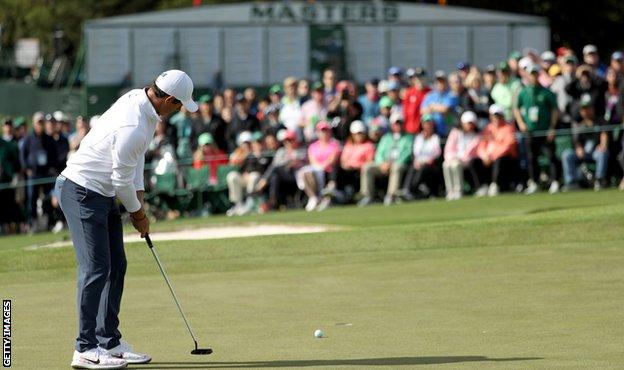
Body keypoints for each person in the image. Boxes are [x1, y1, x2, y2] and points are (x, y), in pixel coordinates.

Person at [57, 69, 197, 368]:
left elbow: (135, 160)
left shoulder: (139, 100)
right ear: (169, 99)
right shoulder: (134, 124)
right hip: (82, 191)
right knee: (96, 268)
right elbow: (121, 180)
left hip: (102, 192)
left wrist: (140, 191)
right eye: (179, 105)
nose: (179, 110)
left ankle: (109, 341)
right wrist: (139, 213)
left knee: (116, 265)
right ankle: (84, 348)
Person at [514, 64, 561, 194]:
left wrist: (552, 127)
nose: (534, 76)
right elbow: (516, 108)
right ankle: (533, 182)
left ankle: (555, 181)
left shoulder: (546, 92)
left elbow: (554, 110)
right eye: (531, 74)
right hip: (530, 131)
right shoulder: (523, 92)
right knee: (531, 157)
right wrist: (521, 123)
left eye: (535, 74)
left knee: (551, 156)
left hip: (545, 130)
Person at [359, 112, 413, 206]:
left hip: (399, 164)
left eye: (399, 123)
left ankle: (391, 195)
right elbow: (379, 154)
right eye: (395, 123)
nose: (397, 125)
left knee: (396, 167)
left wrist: (391, 164)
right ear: (391, 125)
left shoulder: (408, 137)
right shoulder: (386, 138)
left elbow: (407, 154)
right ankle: (368, 196)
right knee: (367, 167)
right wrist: (382, 163)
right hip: (383, 164)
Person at [561, 97, 609, 191]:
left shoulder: (600, 121)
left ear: (592, 109)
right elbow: (576, 141)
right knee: (567, 155)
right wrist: (579, 148)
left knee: (602, 153)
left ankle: (599, 180)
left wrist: (603, 144)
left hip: (596, 151)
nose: (586, 111)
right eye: (583, 109)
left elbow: (604, 134)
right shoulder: (579, 124)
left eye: (588, 108)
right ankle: (572, 182)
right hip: (583, 153)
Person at [471, 104, 519, 197]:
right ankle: (482, 186)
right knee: (474, 162)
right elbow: (481, 145)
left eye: (498, 115)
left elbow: (508, 146)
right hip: (490, 157)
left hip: (506, 159)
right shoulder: (488, 128)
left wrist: (493, 156)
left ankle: (495, 185)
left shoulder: (508, 128)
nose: (496, 118)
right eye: (494, 116)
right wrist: (484, 156)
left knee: (499, 160)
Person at [21, 112, 58, 229]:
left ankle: (49, 223)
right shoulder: (28, 139)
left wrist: (52, 168)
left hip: (46, 174)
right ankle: (32, 223)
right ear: (34, 123)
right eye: (39, 122)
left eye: (42, 122)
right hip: (34, 174)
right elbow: (22, 155)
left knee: (48, 198)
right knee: (32, 198)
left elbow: (54, 155)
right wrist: (26, 168)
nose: (41, 124)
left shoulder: (49, 139)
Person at [256, 130, 306, 211]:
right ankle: (274, 202)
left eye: (290, 140)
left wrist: (288, 162)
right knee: (274, 177)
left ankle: (264, 183)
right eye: (286, 141)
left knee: (276, 170)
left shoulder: (300, 150)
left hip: (297, 176)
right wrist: (288, 162)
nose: (288, 143)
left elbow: (296, 163)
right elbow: (276, 164)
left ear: (295, 140)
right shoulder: (281, 151)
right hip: (283, 177)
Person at [296, 121, 341, 211]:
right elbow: (313, 161)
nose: (324, 133)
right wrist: (319, 166)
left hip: (329, 172)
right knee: (307, 173)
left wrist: (322, 166)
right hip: (316, 169)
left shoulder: (334, 144)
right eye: (321, 131)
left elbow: (332, 160)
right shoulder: (313, 146)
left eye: (325, 131)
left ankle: (319, 197)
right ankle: (313, 197)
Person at [398, 114, 442, 201]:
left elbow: (437, 154)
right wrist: (416, 161)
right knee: (413, 167)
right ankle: (407, 190)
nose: (427, 125)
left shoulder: (436, 138)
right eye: (425, 123)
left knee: (422, 168)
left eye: (429, 123)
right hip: (419, 162)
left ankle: (412, 190)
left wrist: (427, 161)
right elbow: (415, 153)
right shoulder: (419, 138)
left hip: (431, 164)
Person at [332, 120, 375, 204]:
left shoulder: (368, 146)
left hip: (359, 171)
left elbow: (369, 162)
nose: (358, 136)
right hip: (347, 170)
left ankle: (362, 195)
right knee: (335, 168)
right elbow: (343, 159)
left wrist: (356, 166)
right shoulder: (349, 145)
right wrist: (346, 165)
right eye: (356, 134)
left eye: (360, 133)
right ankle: (334, 189)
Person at [442, 111, 481, 200]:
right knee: (446, 165)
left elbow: (472, 152)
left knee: (456, 165)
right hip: (453, 158)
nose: (469, 126)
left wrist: (460, 158)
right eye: (467, 123)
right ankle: (450, 191)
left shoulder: (477, 136)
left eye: (471, 123)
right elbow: (448, 148)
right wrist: (452, 157)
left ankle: (458, 190)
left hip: (467, 161)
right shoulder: (455, 132)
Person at [420, 71, 459, 137]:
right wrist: (438, 107)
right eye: (438, 82)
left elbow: (445, 109)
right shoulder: (430, 95)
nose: (440, 84)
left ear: (446, 82)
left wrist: (431, 106)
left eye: (442, 81)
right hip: (431, 133)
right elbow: (422, 111)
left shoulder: (451, 95)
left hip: (446, 132)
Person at [403, 68, 430, 134]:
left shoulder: (429, 93)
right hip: (410, 129)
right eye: (418, 78)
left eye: (422, 78)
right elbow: (405, 111)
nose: (420, 80)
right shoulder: (409, 92)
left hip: (424, 130)